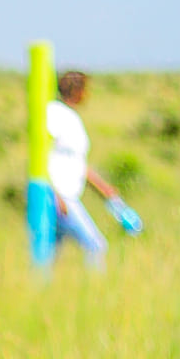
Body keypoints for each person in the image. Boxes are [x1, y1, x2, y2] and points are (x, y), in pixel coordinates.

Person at [47, 70, 126, 263]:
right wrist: (55, 194)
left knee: (50, 255)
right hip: (60, 195)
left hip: (67, 194)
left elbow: (77, 163)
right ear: (77, 91)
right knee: (95, 246)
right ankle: (97, 290)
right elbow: (43, 155)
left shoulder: (71, 117)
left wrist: (104, 189)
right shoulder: (55, 114)